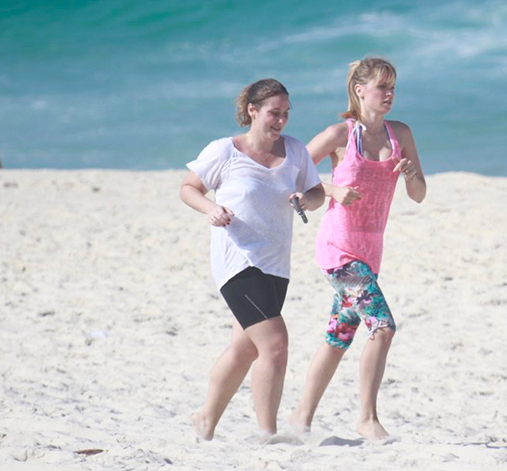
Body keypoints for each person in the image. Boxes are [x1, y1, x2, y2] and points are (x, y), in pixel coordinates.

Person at [289, 58, 426, 441]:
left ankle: (300, 419)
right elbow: (294, 174)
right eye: (382, 87)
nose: (389, 94)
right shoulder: (339, 135)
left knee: (338, 337)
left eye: (393, 87)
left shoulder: (400, 134)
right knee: (383, 327)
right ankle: (367, 418)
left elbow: (418, 195)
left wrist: (413, 176)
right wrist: (332, 189)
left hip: (370, 251)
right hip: (339, 248)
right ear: (360, 90)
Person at [180, 79, 325, 441]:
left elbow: (318, 191)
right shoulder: (225, 151)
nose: (281, 120)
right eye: (274, 113)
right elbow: (188, 188)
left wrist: (305, 200)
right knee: (274, 344)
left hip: (276, 262)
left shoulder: (294, 150)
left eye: (286, 113)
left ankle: (205, 418)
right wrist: (211, 209)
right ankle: (267, 433)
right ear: (253, 111)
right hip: (238, 261)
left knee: (243, 349)